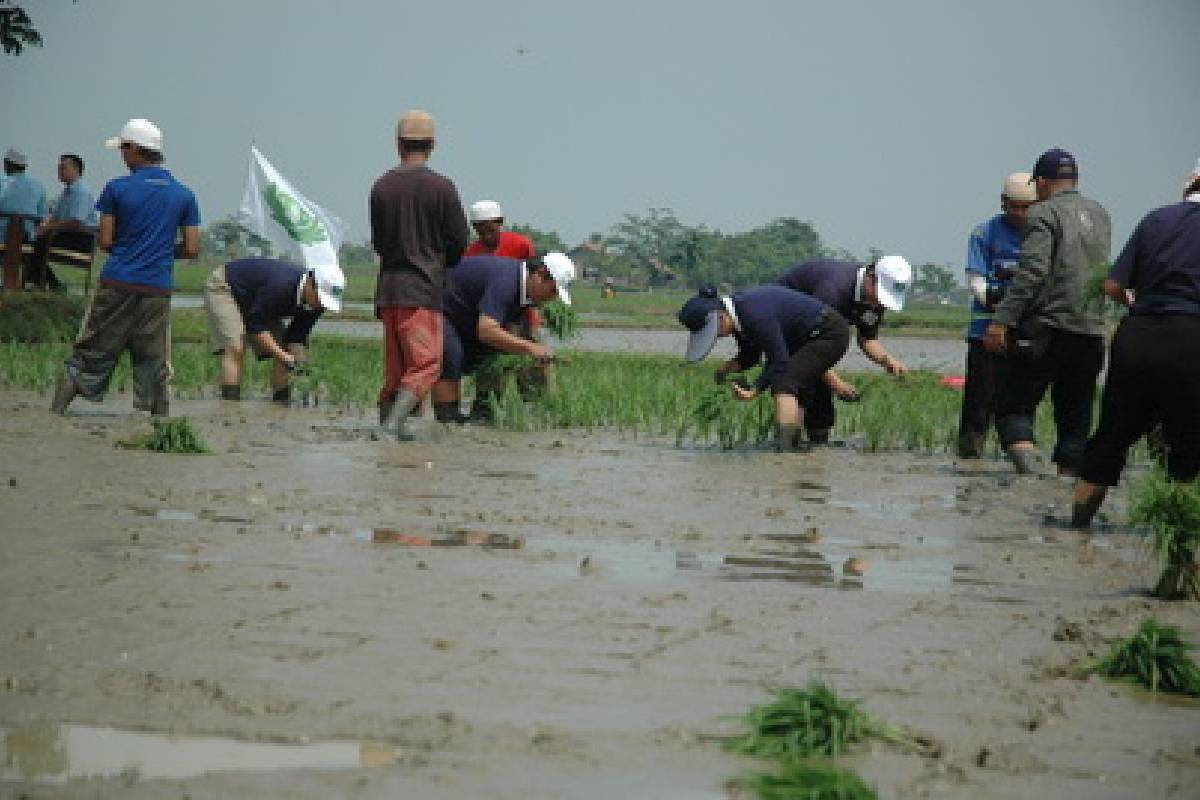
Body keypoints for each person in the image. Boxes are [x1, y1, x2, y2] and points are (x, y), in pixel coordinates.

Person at [1069, 164, 1200, 527]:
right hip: (1192, 340)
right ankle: (1177, 541)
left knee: (1110, 439)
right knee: (1189, 445)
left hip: (1138, 336)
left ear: (1189, 185)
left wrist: (1140, 306)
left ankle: (1077, 530)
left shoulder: (1156, 219)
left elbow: (1112, 286)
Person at [51, 118, 201, 417]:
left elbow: (105, 241)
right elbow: (192, 248)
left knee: (91, 351)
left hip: (117, 282)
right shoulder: (184, 194)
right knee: (153, 359)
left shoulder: (117, 189)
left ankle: (54, 415)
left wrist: (131, 247)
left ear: (134, 150)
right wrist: (159, 251)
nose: (122, 156)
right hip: (156, 287)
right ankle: (160, 427)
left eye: (123, 150)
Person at [984, 148, 1111, 475]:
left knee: (1013, 411)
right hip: (1091, 330)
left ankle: (1032, 480)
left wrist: (1002, 321)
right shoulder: (1100, 213)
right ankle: (1063, 491)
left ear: (1041, 182)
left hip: (1048, 329)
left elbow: (1033, 272)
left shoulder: (1043, 214)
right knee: (1076, 420)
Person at [370, 109, 470, 439]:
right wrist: (441, 263)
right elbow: (458, 241)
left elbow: (381, 243)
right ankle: (391, 428)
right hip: (422, 290)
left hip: (389, 290)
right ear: (432, 146)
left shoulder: (381, 187)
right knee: (426, 365)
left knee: (397, 370)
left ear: (399, 145)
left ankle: (387, 429)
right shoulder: (442, 188)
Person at [678, 283, 850, 451]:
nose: (718, 337)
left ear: (721, 317)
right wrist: (726, 369)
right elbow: (751, 356)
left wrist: (754, 390)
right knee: (790, 382)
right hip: (802, 339)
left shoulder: (753, 315)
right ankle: (798, 445)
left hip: (828, 334)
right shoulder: (739, 315)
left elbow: (779, 361)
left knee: (784, 383)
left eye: (716, 332)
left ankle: (787, 450)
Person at [773, 255, 912, 445]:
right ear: (871, 277)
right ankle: (787, 453)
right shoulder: (832, 289)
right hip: (784, 327)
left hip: (815, 337)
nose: (880, 304)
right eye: (880, 296)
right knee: (798, 388)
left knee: (822, 405)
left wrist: (887, 361)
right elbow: (809, 345)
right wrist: (837, 383)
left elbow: (867, 338)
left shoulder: (874, 302)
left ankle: (817, 452)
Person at [430, 252, 575, 425]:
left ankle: (483, 410)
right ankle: (447, 419)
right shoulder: (506, 282)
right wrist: (530, 348)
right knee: (452, 356)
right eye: (553, 290)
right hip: (438, 311)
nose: (552, 298)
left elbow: (509, 330)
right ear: (540, 274)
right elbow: (487, 330)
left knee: (499, 354)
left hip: (466, 317)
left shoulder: (525, 291)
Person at [956, 172, 1037, 458]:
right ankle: (970, 454)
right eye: (1013, 206)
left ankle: (1019, 455)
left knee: (1020, 402)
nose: (1018, 213)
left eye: (1025, 207)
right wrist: (1003, 304)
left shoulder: (1043, 236)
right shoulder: (984, 233)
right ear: (1003, 203)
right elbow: (975, 280)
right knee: (978, 403)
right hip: (985, 331)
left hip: (1027, 331)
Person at [203, 257, 345, 404]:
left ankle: (281, 402)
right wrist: (283, 356)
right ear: (310, 283)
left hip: (258, 299)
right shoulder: (282, 287)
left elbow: (296, 336)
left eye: (326, 301)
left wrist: (300, 362)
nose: (321, 304)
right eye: (320, 298)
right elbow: (255, 324)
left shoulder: (317, 305)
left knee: (286, 349)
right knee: (235, 347)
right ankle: (229, 406)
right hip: (226, 287)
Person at [28, 153, 97, 291]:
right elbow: (55, 216)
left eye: (63, 168)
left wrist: (49, 228)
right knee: (32, 239)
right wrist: (44, 225)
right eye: (59, 168)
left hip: (81, 238)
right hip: (67, 235)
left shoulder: (81, 192)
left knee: (40, 242)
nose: (60, 172)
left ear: (76, 170)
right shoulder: (67, 192)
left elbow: (76, 222)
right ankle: (44, 283)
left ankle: (49, 284)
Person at [0, 147, 48, 258]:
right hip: (27, 245)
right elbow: (42, 218)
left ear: (6, 163)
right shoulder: (39, 186)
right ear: (25, 166)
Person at [463, 200, 536, 260]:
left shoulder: (520, 245)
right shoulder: (471, 255)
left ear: (500, 222)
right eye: (482, 233)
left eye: (491, 231)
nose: (487, 237)